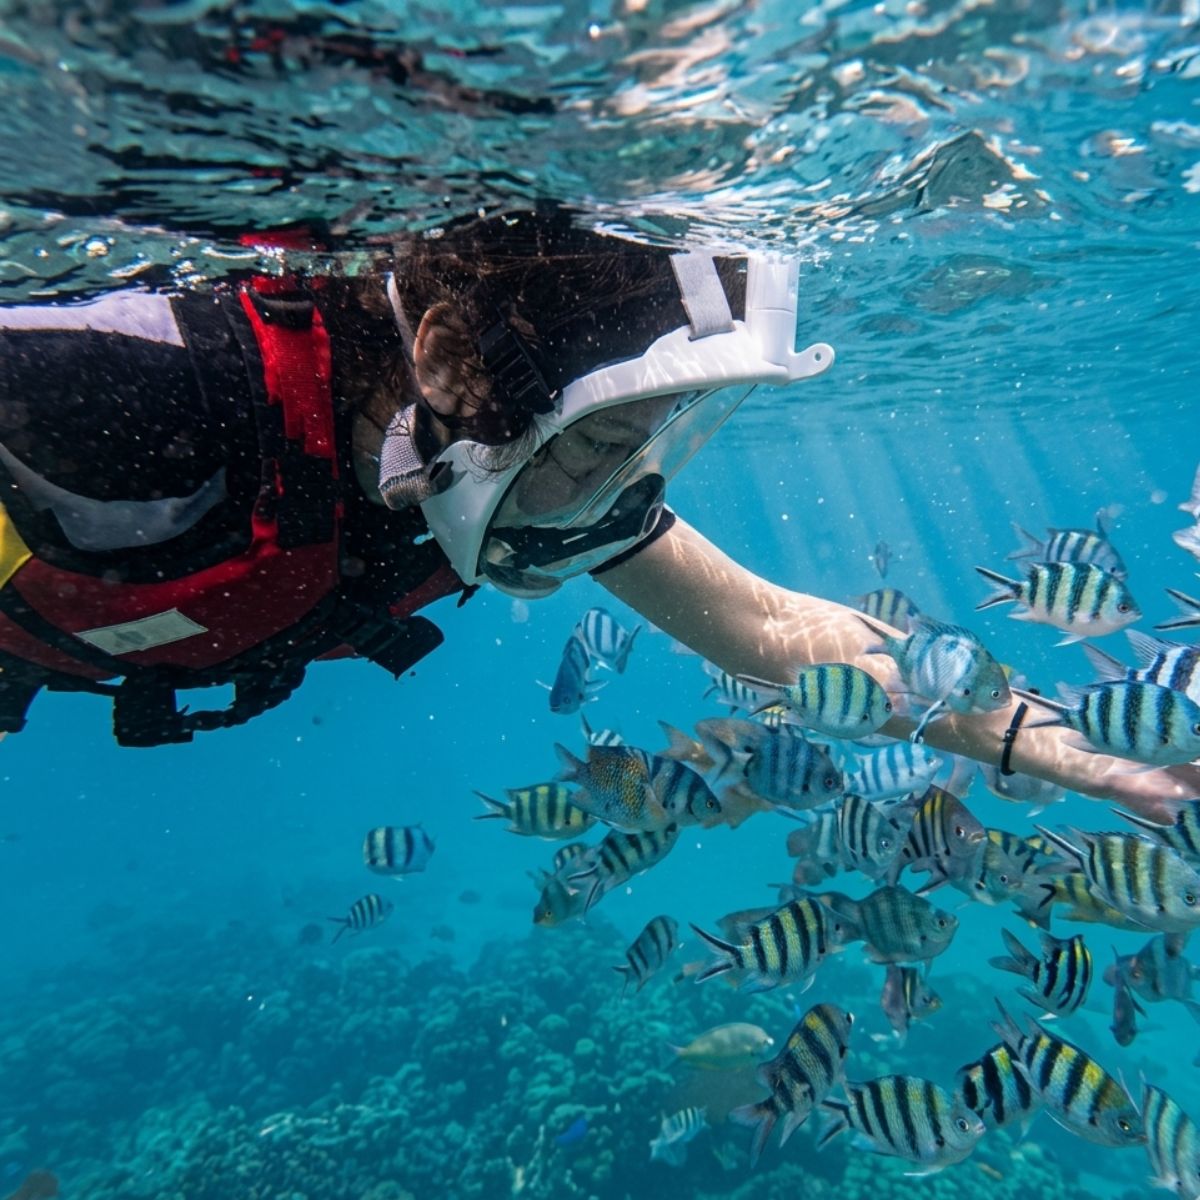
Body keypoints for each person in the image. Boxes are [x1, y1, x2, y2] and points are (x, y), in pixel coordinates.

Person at [0, 205, 1190, 821]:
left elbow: (780, 635)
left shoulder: (510, 468)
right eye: (611, 442)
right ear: (443, 368)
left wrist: (1097, 764)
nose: (626, 493)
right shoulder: (132, 390)